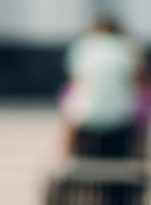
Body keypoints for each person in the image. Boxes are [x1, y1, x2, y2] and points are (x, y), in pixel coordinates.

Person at [61, 15, 144, 157]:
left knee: (68, 100)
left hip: (85, 116)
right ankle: (139, 156)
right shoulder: (128, 46)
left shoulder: (83, 45)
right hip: (121, 116)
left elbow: (72, 78)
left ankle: (66, 156)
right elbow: (138, 78)